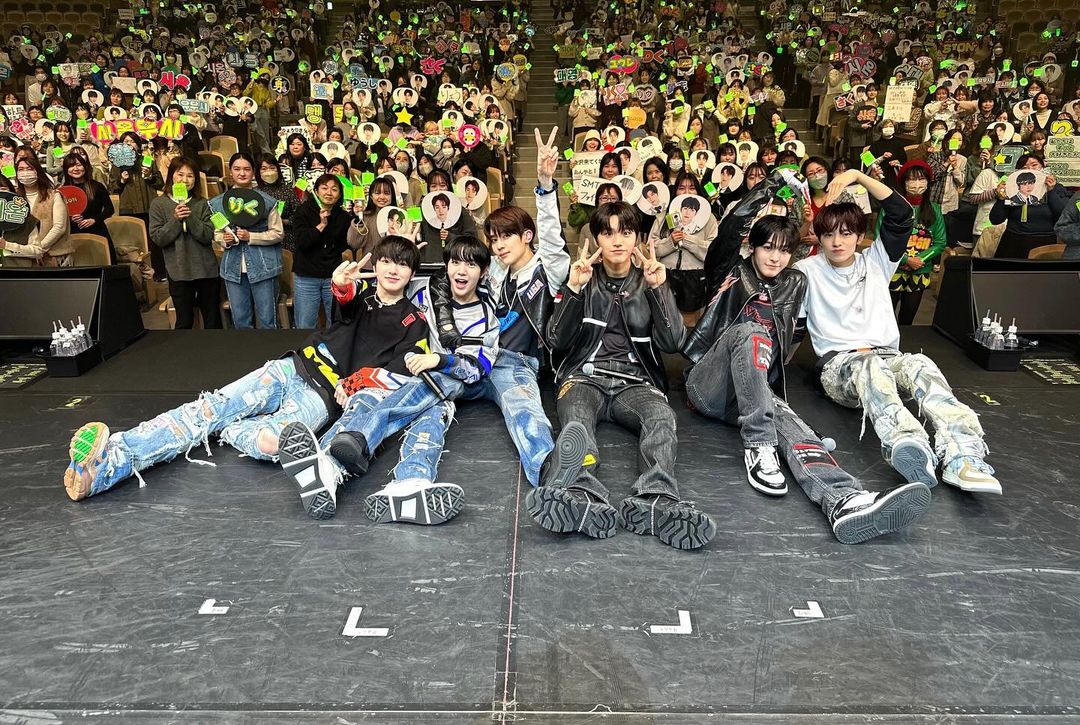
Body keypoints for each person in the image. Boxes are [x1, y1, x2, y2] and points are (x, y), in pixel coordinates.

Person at [62, 237, 429, 511]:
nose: (392, 269)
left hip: (322, 398)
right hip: (293, 368)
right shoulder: (361, 292)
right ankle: (108, 463)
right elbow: (344, 300)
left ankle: (231, 428)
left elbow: (403, 371)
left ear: (412, 273)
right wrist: (342, 283)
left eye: (402, 264)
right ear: (375, 265)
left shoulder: (414, 320)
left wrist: (359, 380)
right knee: (207, 409)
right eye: (386, 261)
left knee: (273, 442)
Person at [684, 214, 931, 543]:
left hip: (753, 392)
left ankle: (844, 500)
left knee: (796, 431)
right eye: (768, 248)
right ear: (752, 247)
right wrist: (767, 189)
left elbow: (793, 335)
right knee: (751, 332)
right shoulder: (730, 272)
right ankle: (759, 444)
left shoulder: (794, 282)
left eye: (784, 251)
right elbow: (730, 232)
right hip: (709, 385)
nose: (775, 258)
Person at [796, 168, 1001, 496]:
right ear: (818, 237)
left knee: (921, 363)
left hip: (887, 359)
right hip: (840, 368)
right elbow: (792, 325)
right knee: (870, 367)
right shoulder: (806, 271)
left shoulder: (878, 261)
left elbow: (901, 212)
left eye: (846, 233)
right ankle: (907, 444)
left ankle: (963, 455)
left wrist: (857, 176)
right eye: (829, 234)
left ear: (859, 235)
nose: (837, 242)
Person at [276, 235, 502, 523]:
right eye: (455, 262)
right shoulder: (421, 289)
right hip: (393, 375)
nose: (461, 271)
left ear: (483, 271)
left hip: (435, 384)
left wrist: (439, 360)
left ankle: (409, 485)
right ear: (445, 266)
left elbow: (476, 368)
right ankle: (326, 468)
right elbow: (382, 282)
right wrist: (384, 259)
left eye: (471, 265)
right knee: (364, 400)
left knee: (432, 418)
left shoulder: (487, 318)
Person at [531, 200, 716, 550]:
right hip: (584, 377)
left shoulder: (650, 280)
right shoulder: (584, 279)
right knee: (577, 422)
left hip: (636, 381)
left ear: (637, 239)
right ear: (596, 239)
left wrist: (660, 289)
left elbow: (674, 342)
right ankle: (579, 492)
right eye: (608, 233)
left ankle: (656, 498)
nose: (617, 241)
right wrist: (573, 290)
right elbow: (556, 340)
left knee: (661, 418)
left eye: (626, 232)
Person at [210, 153, 284, 329]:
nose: (242, 173)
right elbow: (217, 233)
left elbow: (278, 233)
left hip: (264, 267)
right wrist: (225, 240)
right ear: (230, 171)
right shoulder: (218, 203)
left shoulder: (267, 202)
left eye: (246, 169)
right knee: (241, 321)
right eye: (237, 169)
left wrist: (252, 237)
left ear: (253, 172)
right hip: (233, 269)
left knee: (268, 321)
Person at [148, 157, 221, 330]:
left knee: (212, 320)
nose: (185, 180)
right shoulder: (159, 204)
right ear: (171, 176)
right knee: (184, 321)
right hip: (178, 272)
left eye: (190, 176)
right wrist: (175, 219)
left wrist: (190, 217)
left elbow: (207, 235)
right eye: (180, 174)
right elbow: (158, 238)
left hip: (206, 270)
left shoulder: (202, 203)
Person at [290, 174, 357, 328]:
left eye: (334, 189)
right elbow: (302, 242)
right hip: (307, 276)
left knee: (336, 322)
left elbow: (347, 245)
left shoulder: (343, 216)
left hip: (333, 277)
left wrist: (357, 218)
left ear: (339, 194)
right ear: (316, 191)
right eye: (324, 188)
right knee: (305, 324)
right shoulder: (303, 211)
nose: (329, 192)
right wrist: (321, 225)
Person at [888, 161, 946, 325]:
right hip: (893, 269)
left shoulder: (935, 209)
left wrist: (919, 260)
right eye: (912, 179)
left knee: (908, 319)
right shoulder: (891, 208)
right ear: (904, 182)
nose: (917, 183)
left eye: (921, 179)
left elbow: (940, 242)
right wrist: (906, 260)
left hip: (920, 271)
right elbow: (882, 239)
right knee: (885, 317)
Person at [1, 155, 72, 267]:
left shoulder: (53, 195)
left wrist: (38, 249)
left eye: (29, 169)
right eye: (21, 169)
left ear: (38, 172)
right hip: (22, 259)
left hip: (53, 255)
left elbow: (59, 227)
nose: (25, 173)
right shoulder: (13, 198)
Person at [62, 152, 116, 263]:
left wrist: (94, 220)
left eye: (79, 165)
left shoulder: (97, 186)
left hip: (97, 231)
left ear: (85, 167)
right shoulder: (62, 191)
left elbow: (109, 209)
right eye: (71, 166)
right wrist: (70, 219)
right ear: (66, 170)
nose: (76, 169)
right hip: (74, 234)